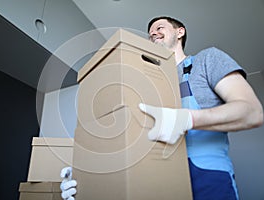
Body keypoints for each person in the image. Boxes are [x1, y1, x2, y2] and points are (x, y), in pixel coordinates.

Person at [60, 16, 263, 200]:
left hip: (207, 177)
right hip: (154, 175)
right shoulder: (141, 79)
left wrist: (186, 120)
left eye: (159, 28)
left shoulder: (206, 60)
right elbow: (129, 131)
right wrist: (90, 175)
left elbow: (252, 112)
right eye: (150, 33)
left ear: (179, 31)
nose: (153, 34)